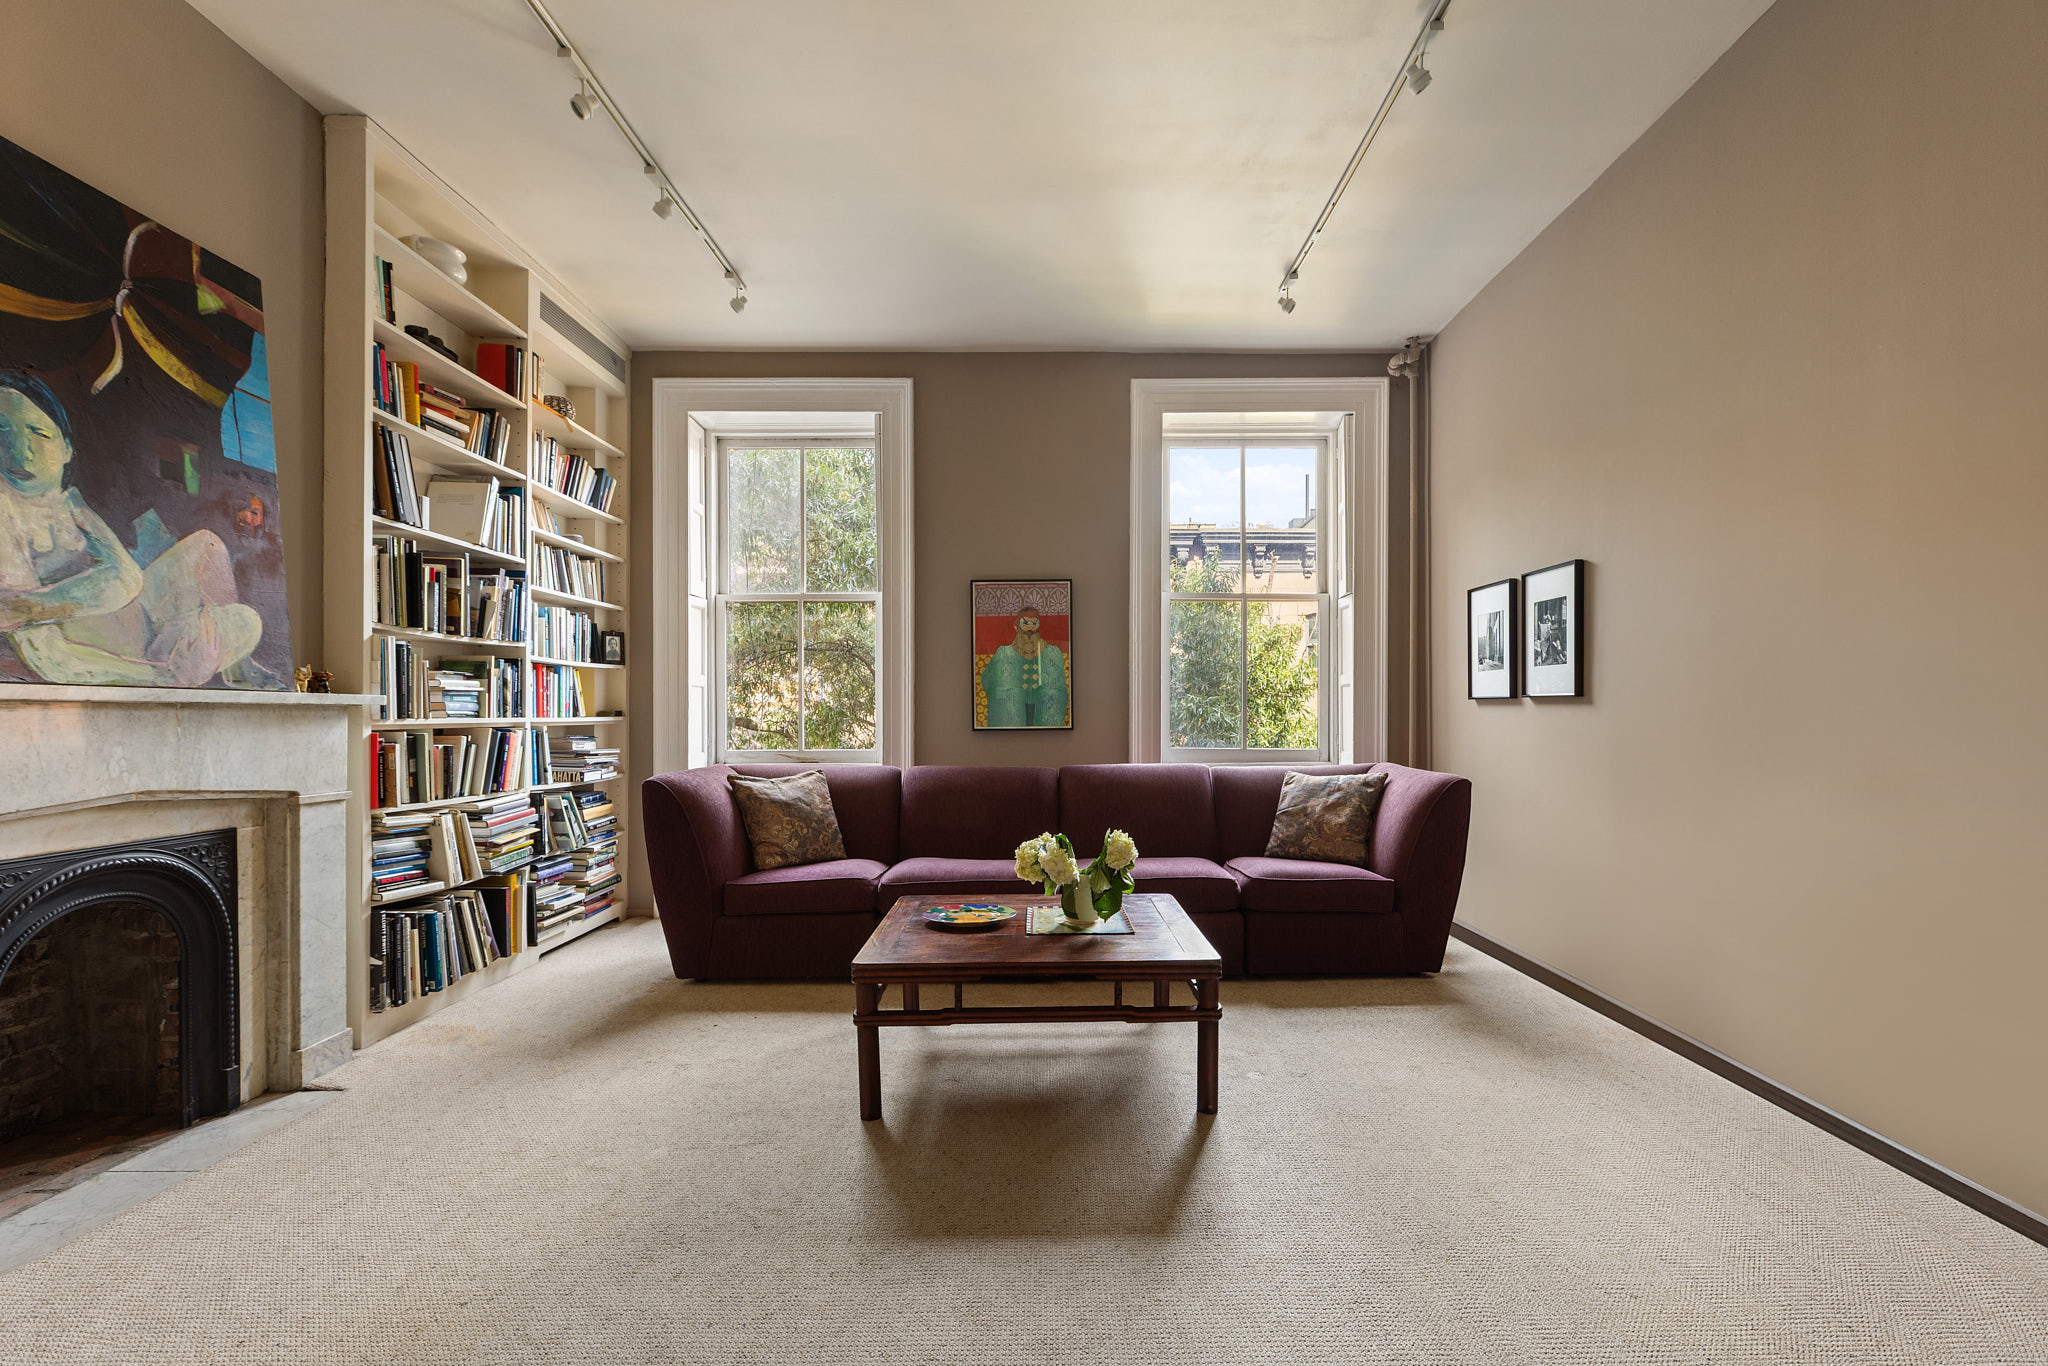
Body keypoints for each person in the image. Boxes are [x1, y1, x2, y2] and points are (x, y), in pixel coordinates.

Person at [0, 371, 267, 687]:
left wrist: (118, 585)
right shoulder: (5, 510)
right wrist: (162, 677)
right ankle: (183, 656)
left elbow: (130, 579)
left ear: (66, 449)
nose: (22, 450)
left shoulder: (71, 503)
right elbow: (50, 657)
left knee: (237, 601)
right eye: (3, 430)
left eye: (39, 433)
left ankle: (231, 666)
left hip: (150, 621)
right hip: (119, 655)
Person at [980, 607, 1068, 727]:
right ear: (1015, 626)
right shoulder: (1003, 653)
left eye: (1034, 623)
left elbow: (1060, 689)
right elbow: (987, 681)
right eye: (1025, 623)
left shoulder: (1053, 653)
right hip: (1012, 713)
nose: (1030, 629)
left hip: (1043, 712)